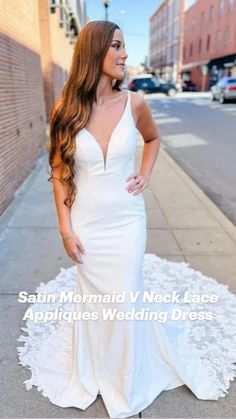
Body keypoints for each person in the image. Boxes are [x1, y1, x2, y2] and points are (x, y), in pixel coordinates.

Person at [17, 21, 236, 419]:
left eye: (123, 46)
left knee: (123, 297)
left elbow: (153, 140)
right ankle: (96, 367)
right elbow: (60, 173)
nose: (124, 54)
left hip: (126, 221)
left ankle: (125, 375)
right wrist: (65, 228)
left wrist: (146, 174)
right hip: (87, 223)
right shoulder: (64, 109)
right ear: (94, 51)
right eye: (116, 46)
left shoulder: (135, 103)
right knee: (97, 301)